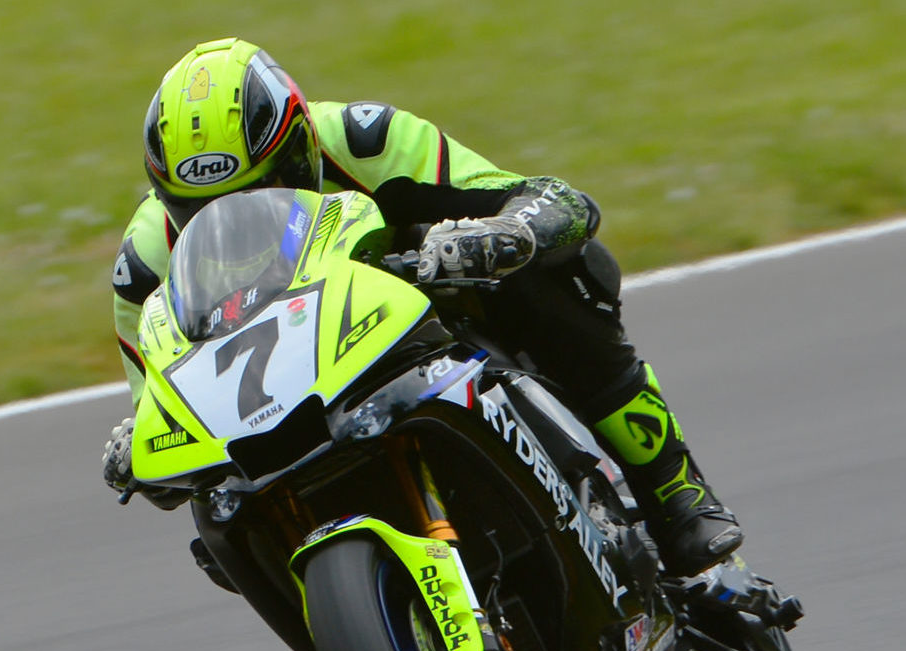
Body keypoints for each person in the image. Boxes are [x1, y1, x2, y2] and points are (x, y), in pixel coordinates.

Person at [103, 38, 742, 578]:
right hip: (277, 403)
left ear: (298, 146)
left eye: (261, 190)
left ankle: (674, 490)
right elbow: (161, 402)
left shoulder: (364, 139)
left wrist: (504, 234)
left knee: (550, 275)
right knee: (214, 510)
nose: (233, 223)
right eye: (198, 211)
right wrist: (142, 445)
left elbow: (552, 201)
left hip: (412, 330)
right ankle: (363, 634)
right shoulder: (142, 265)